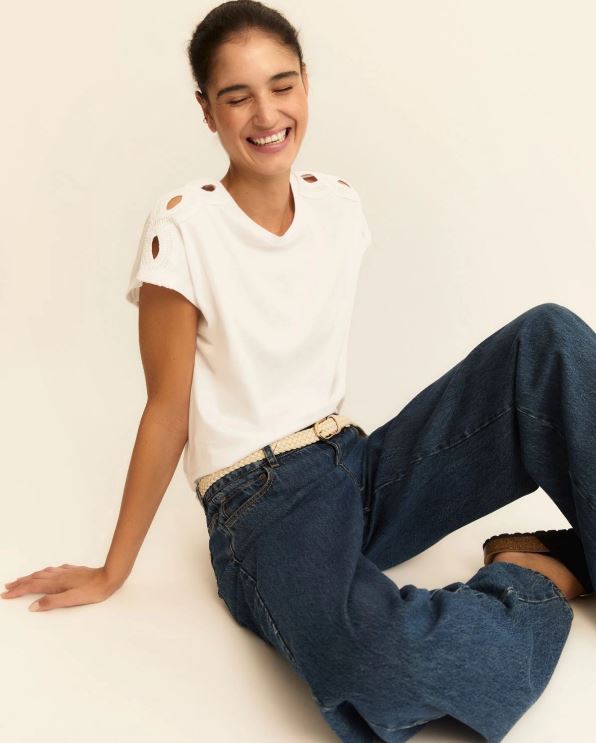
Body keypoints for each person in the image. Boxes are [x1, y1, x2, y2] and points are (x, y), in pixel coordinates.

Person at [3, 2, 595, 742]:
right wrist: (111, 569)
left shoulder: (339, 206)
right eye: (237, 96)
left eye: (282, 86)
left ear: (306, 86)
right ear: (206, 111)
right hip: (260, 509)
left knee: (549, 341)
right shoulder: (183, 229)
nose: (266, 113)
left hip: (354, 465)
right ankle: (540, 575)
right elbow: (166, 409)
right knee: (381, 663)